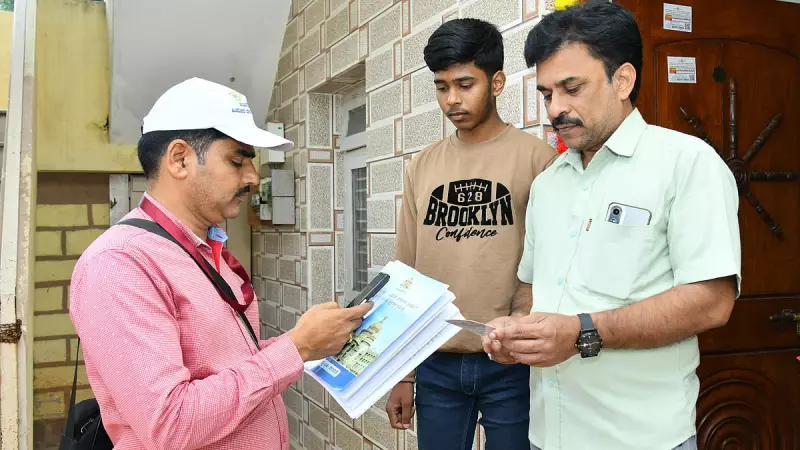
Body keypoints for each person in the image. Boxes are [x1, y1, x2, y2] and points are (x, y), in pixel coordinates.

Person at [482, 2, 741, 450]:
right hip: (547, 434)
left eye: (571, 88)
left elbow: (712, 302)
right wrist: (519, 329)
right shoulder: (547, 184)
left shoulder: (687, 164)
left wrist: (581, 332)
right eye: (546, 94)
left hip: (642, 438)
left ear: (622, 80)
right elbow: (530, 285)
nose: (556, 109)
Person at [69, 77, 373, 450]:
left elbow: (225, 365)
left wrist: (309, 341)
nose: (253, 177)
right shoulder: (120, 264)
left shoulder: (200, 248)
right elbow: (171, 425)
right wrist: (296, 348)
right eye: (237, 160)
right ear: (180, 159)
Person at [385, 18, 557, 450]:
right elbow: (406, 272)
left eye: (465, 84)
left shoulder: (538, 161)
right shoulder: (422, 166)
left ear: (496, 82)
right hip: (435, 361)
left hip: (514, 362)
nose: (452, 100)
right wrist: (402, 374)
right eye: (442, 87)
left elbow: (553, 267)